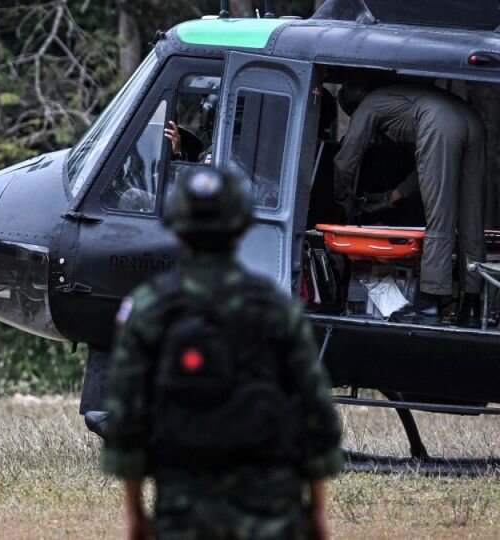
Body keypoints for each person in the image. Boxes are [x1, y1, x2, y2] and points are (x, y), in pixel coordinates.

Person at [103, 168, 343, 539]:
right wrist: (317, 511)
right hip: (272, 516)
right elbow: (315, 411)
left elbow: (126, 416)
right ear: (242, 228)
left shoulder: (150, 308)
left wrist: (136, 514)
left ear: (177, 228)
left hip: (184, 518)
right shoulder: (275, 306)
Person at [333, 82, 487, 322]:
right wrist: (392, 196)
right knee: (472, 219)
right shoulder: (399, 94)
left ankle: (429, 303)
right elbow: (428, 164)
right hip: (472, 121)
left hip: (440, 121)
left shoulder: (368, 104)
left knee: (440, 217)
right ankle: (472, 305)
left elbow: (345, 159)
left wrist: (343, 199)